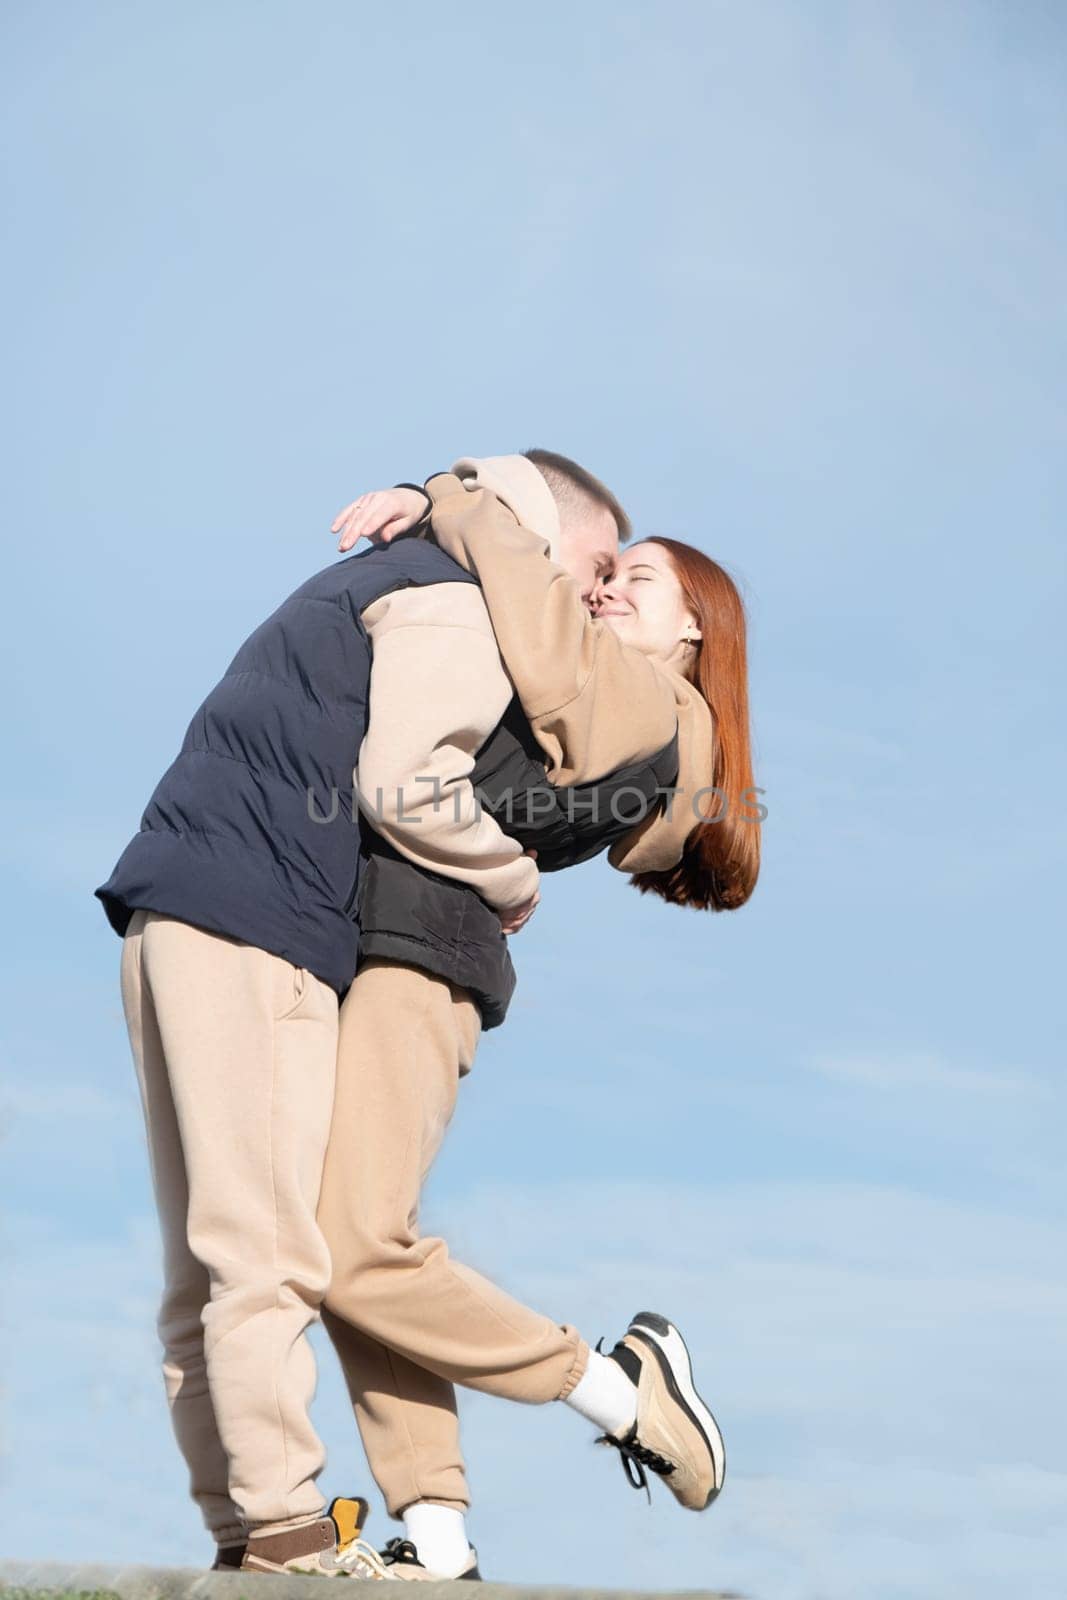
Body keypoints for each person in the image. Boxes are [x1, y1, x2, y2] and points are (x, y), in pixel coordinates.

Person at [94, 449, 689, 1577]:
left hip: (167, 903)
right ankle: (283, 1531)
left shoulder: (385, 569)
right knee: (270, 1255)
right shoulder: (453, 591)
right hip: (260, 916)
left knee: (205, 1267)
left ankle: (240, 1531)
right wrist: (514, 881)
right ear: (540, 534)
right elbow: (409, 780)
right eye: (594, 564)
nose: (585, 595)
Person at [307, 461, 761, 1580]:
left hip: (419, 959)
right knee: (350, 1244)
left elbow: (531, 608)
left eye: (635, 580)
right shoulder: (628, 703)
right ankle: (443, 1541)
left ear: (694, 633)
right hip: (388, 945)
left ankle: (624, 1394)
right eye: (606, 572)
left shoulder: (653, 699)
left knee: (357, 1248)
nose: (604, 590)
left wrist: (460, 494)